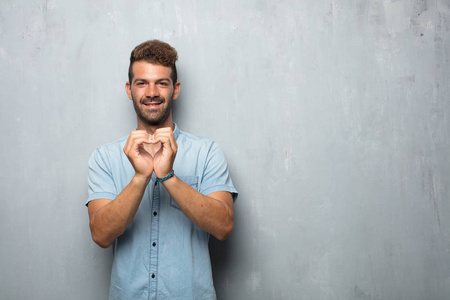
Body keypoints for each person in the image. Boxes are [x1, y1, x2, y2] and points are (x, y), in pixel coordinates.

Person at [86, 40, 238, 300]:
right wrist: (140, 177)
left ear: (175, 89)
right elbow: (101, 234)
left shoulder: (208, 153)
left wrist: (169, 177)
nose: (152, 92)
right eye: (142, 82)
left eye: (162, 83)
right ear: (129, 89)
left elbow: (223, 226)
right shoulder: (104, 157)